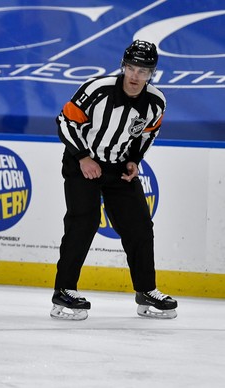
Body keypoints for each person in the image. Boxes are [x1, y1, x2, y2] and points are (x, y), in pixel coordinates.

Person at [51, 40, 177, 320]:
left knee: (140, 226)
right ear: (123, 66)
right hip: (82, 162)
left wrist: (135, 160)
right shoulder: (97, 90)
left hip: (119, 167)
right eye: (131, 68)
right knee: (83, 221)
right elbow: (65, 122)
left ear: (152, 74)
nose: (135, 76)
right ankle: (64, 290)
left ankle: (146, 291)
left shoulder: (156, 101)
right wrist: (83, 157)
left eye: (143, 71)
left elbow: (148, 133)